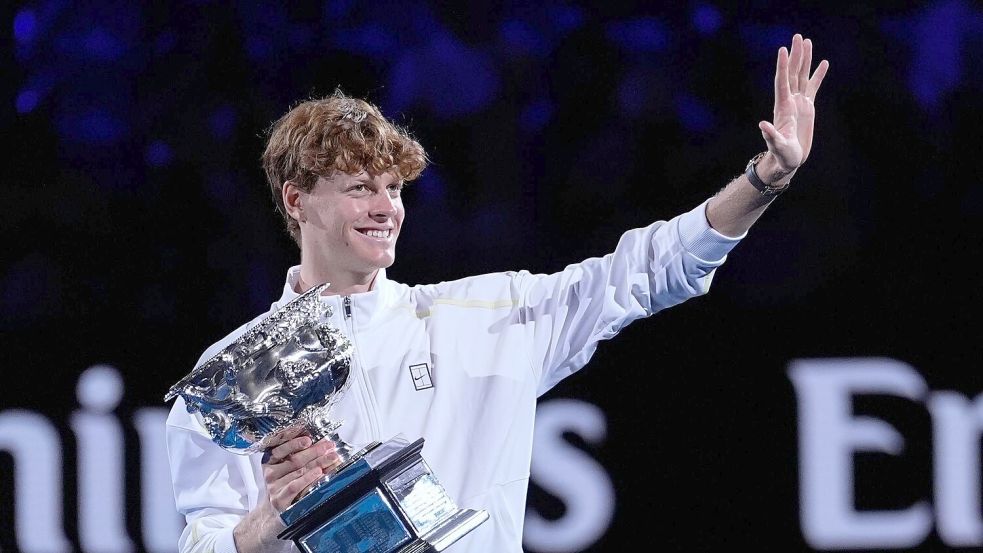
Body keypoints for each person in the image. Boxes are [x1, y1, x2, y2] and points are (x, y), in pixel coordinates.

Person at [166, 33, 828, 553]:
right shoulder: (241, 370)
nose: (385, 207)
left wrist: (765, 178)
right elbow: (204, 538)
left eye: (393, 188)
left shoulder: (485, 315)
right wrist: (264, 528)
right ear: (297, 200)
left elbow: (650, 270)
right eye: (360, 187)